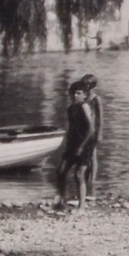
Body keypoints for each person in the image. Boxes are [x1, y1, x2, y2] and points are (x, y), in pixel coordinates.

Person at [52, 82, 93, 210]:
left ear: (84, 95)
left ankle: (81, 207)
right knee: (61, 171)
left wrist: (82, 146)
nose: (75, 95)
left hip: (84, 144)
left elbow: (91, 129)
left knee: (78, 175)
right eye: (73, 93)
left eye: (78, 93)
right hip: (72, 143)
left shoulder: (84, 106)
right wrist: (66, 143)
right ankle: (62, 201)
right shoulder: (71, 108)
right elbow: (71, 128)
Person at [78, 73, 102, 203]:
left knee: (93, 156)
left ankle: (92, 181)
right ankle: (87, 180)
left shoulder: (96, 98)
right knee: (86, 156)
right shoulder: (84, 98)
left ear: (92, 86)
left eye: (87, 85)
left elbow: (100, 117)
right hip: (85, 129)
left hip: (93, 130)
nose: (85, 87)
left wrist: (100, 132)